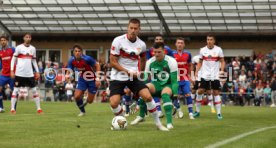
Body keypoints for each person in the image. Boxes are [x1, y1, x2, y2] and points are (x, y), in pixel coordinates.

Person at [109, 18, 168, 131]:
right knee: (114, 103)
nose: (133, 30)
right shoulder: (118, 41)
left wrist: (140, 72)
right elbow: (112, 62)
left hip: (134, 77)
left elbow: (143, 58)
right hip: (118, 76)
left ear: (139, 30)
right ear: (128, 28)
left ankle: (158, 124)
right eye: (131, 28)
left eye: (135, 28)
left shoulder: (141, 44)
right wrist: (127, 72)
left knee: (148, 96)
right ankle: (120, 119)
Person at [131, 42, 178, 129]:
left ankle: (169, 123)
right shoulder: (150, 62)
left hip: (167, 85)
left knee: (165, 95)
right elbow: (145, 77)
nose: (156, 54)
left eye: (159, 52)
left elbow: (174, 81)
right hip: (155, 84)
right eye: (154, 52)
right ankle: (141, 116)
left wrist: (175, 94)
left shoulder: (171, 61)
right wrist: (139, 89)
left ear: (164, 51)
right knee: (144, 89)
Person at [193, 34, 225, 119]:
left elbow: (222, 61)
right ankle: (197, 111)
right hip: (205, 75)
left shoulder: (218, 50)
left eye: (211, 39)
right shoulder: (202, 50)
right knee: (200, 91)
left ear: (214, 41)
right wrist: (196, 71)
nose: (209, 41)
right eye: (208, 39)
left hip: (215, 75)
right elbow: (200, 62)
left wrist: (221, 71)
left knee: (216, 93)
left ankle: (218, 113)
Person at [10, 33, 42, 114]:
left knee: (34, 90)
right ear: (23, 38)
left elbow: (34, 61)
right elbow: (13, 59)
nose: (28, 38)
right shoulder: (19, 47)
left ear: (30, 39)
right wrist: (12, 70)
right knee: (16, 90)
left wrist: (37, 71)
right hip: (19, 73)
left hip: (29, 74)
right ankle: (13, 109)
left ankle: (39, 109)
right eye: (26, 37)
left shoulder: (33, 49)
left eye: (29, 37)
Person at [67, 44, 101, 116]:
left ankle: (87, 100)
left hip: (92, 79)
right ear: (73, 52)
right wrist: (67, 75)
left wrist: (97, 78)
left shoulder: (87, 59)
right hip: (82, 78)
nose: (77, 52)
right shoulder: (71, 60)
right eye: (75, 51)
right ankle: (82, 112)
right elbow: (69, 70)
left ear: (81, 52)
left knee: (90, 101)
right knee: (77, 96)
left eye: (79, 51)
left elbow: (97, 65)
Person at [145, 35, 174, 118]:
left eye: (160, 39)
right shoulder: (150, 50)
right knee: (154, 92)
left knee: (167, 93)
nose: (158, 40)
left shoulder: (168, 49)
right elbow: (148, 61)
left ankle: (173, 107)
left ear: (163, 40)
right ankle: (159, 110)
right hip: (154, 72)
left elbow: (171, 61)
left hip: (165, 74)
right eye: (157, 39)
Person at [172, 37, 194, 119]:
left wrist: (191, 76)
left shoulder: (188, 54)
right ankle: (178, 110)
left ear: (184, 44)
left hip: (185, 78)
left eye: (181, 43)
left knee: (188, 94)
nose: (180, 44)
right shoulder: (172, 54)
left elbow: (190, 65)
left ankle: (191, 113)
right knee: (175, 96)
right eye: (178, 43)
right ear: (176, 44)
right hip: (175, 79)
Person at [0, 35, 15, 113]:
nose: (3, 41)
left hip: (12, 74)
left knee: (14, 91)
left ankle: (13, 108)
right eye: (1, 40)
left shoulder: (12, 49)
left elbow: (17, 59)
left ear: (7, 41)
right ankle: (1, 107)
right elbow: (1, 63)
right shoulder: (0, 52)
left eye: (4, 40)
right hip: (3, 75)